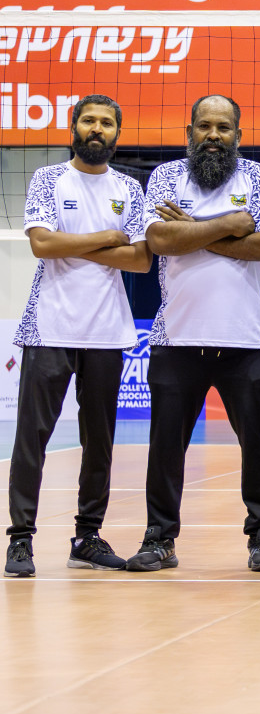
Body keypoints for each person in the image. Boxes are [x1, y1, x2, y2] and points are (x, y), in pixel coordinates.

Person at [126, 96, 260, 573]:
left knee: (258, 445)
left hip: (245, 339)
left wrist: (192, 230)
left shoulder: (257, 177)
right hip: (176, 338)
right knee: (165, 447)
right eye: (204, 126)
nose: (213, 135)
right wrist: (231, 227)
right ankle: (159, 538)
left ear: (238, 134)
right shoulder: (164, 177)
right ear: (189, 131)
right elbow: (158, 240)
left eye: (223, 127)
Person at [5, 96, 150, 578]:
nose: (97, 128)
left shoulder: (129, 187)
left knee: (100, 442)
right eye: (89, 119)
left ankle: (87, 536)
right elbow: (43, 244)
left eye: (107, 122)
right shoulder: (49, 178)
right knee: (33, 438)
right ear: (74, 126)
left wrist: (84, 244)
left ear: (117, 134)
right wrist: (108, 238)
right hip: (50, 325)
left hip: (107, 331)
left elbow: (141, 260)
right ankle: (20, 540)